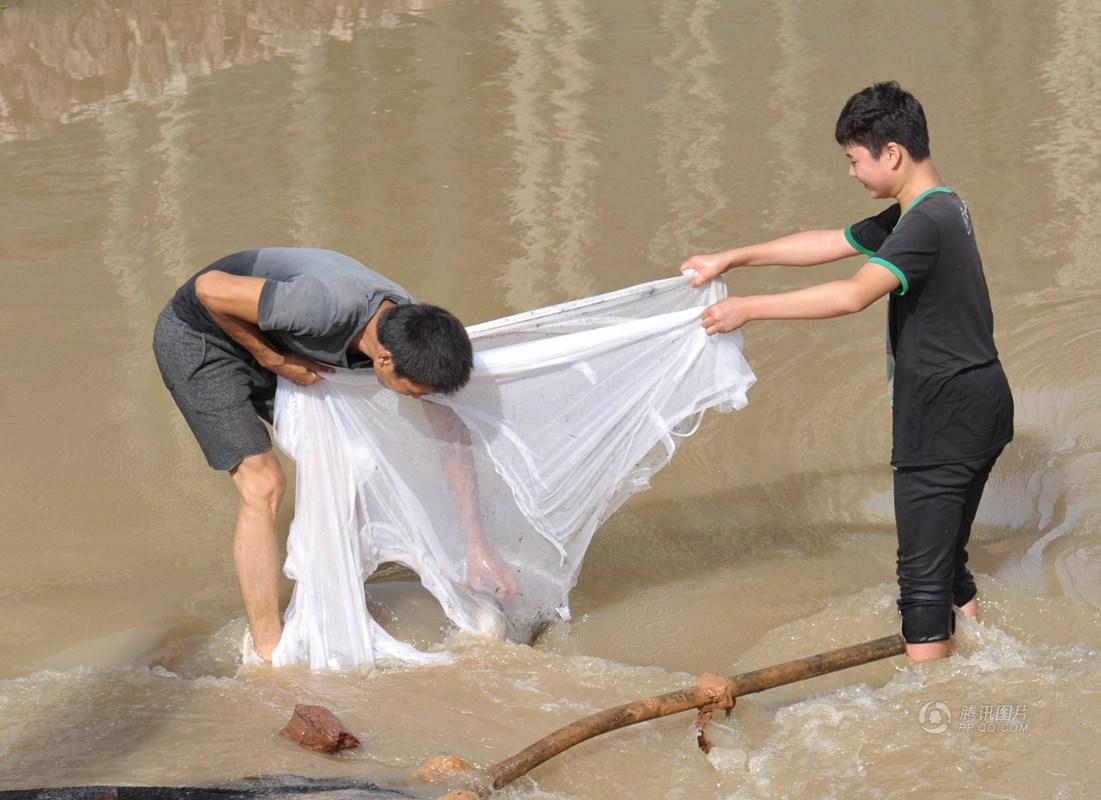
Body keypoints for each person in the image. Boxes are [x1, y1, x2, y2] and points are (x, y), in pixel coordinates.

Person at [680, 82, 1013, 661]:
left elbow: (851, 295)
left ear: (891, 153)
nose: (853, 172)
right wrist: (733, 258)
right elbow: (831, 242)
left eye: (855, 159)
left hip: (941, 418)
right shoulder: (936, 207)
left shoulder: (924, 226)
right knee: (947, 564)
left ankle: (931, 717)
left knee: (921, 588)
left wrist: (747, 309)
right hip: (982, 403)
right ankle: (979, 664)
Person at [153, 247, 515, 662]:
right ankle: (268, 646)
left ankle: (334, 594)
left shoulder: (412, 332)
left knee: (353, 461)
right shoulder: (322, 308)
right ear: (383, 359)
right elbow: (208, 290)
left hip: (278, 342)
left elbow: (450, 433)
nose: (417, 401)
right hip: (203, 338)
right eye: (413, 393)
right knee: (265, 485)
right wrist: (273, 358)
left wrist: (477, 545)